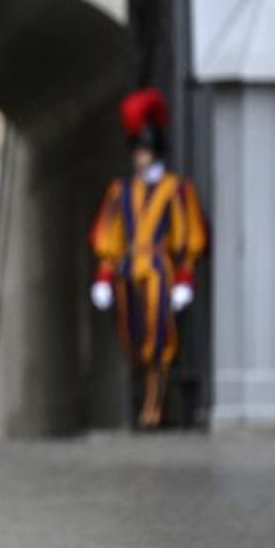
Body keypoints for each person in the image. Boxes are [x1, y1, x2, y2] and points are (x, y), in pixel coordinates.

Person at [90, 88, 208, 428]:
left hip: (160, 270)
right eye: (137, 151)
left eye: (144, 151)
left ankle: (153, 407)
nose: (138, 158)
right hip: (129, 270)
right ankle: (146, 402)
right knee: (135, 338)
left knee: (160, 341)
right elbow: (110, 235)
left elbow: (187, 237)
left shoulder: (177, 191)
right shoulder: (122, 191)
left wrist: (185, 278)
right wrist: (104, 276)